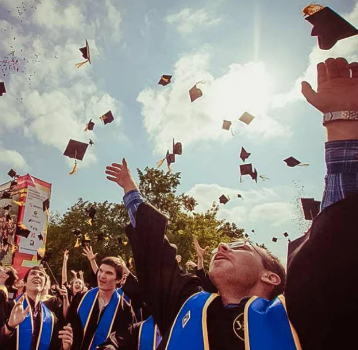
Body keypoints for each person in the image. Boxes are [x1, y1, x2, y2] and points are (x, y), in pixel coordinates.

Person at [103, 57, 358, 349]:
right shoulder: (183, 307)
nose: (222, 246)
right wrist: (129, 188)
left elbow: (336, 242)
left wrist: (341, 124)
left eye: (240, 246)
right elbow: (153, 250)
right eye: (227, 244)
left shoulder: (299, 316)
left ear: (270, 276)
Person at [0, 266, 73, 350]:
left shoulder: (51, 318)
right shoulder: (8, 307)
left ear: (44, 285)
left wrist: (64, 348)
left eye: (41, 275)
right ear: (25, 282)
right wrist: (8, 328)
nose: (37, 276)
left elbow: (54, 347)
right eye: (33, 273)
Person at [67, 257, 135, 350]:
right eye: (101, 270)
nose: (102, 276)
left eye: (109, 273)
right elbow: (67, 328)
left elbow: (125, 344)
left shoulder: (125, 311)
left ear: (119, 279)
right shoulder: (80, 298)